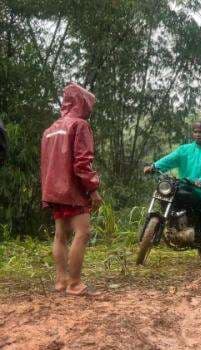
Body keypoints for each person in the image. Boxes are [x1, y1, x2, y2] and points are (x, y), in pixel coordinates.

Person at [41, 82, 103, 296]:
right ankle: (75, 284)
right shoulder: (80, 125)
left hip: (53, 189)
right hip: (73, 189)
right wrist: (93, 188)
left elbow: (46, 163)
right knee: (82, 233)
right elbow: (82, 162)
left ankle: (61, 281)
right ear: (83, 103)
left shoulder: (50, 129)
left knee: (60, 235)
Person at [144, 121, 201, 261]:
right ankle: (174, 225)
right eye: (195, 131)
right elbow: (170, 159)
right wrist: (153, 166)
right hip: (186, 186)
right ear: (192, 133)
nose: (198, 134)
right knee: (168, 195)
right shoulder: (185, 149)